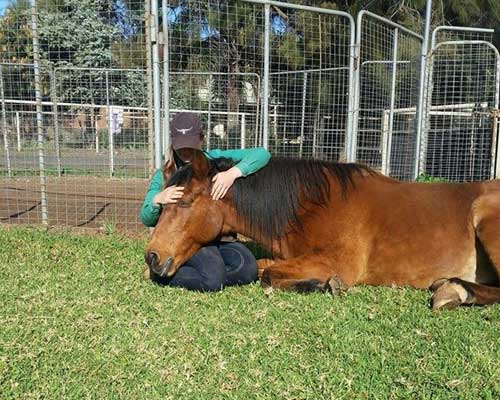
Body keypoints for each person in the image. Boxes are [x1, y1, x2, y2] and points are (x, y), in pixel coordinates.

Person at [141, 112, 271, 292]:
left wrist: (233, 173)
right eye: (181, 146)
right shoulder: (165, 174)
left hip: (219, 239)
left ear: (201, 139)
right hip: (185, 238)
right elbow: (146, 218)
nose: (186, 151)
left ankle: (207, 273)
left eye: (190, 145)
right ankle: (158, 272)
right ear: (173, 142)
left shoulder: (213, 161)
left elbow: (262, 154)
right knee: (212, 280)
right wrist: (158, 199)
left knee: (248, 270)